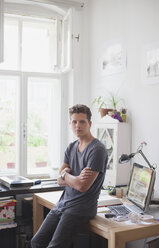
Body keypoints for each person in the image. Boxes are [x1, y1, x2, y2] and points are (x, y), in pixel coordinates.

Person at [31, 104, 108, 248]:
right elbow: (59, 180)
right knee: (37, 241)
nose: (77, 125)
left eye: (82, 121)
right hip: (63, 204)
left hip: (81, 209)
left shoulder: (97, 150)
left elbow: (82, 186)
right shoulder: (71, 147)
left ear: (89, 124)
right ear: (70, 123)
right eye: (74, 122)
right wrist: (70, 176)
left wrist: (66, 175)